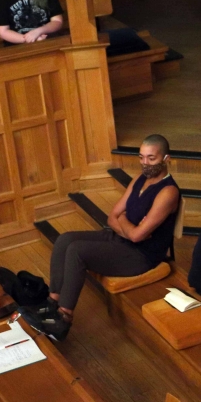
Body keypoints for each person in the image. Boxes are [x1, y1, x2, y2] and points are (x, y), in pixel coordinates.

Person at [32, 135, 180, 341]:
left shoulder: (168, 192)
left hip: (140, 255)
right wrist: (129, 226)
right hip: (119, 239)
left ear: (166, 158)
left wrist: (126, 220)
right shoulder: (139, 179)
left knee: (77, 251)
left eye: (151, 158)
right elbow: (112, 217)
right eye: (141, 157)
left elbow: (137, 238)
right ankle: (52, 302)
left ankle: (63, 319)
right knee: (65, 239)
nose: (145, 163)